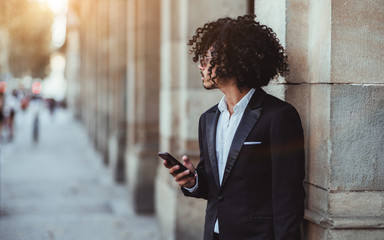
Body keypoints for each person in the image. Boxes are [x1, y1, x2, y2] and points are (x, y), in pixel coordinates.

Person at [163, 15, 306, 240]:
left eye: (206, 58)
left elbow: (288, 195)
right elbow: (217, 188)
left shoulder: (278, 117)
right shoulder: (208, 119)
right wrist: (193, 182)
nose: (200, 66)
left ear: (231, 59)